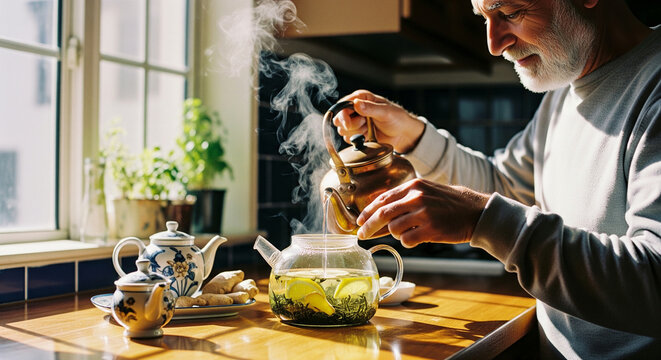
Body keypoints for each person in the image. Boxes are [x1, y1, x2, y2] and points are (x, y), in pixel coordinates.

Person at [333, 0, 661, 358]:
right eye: (485, 18)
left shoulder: (653, 88)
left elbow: (654, 279)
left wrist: (481, 219)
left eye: (510, 13)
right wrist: (410, 137)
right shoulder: (564, 93)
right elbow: (505, 186)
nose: (493, 43)